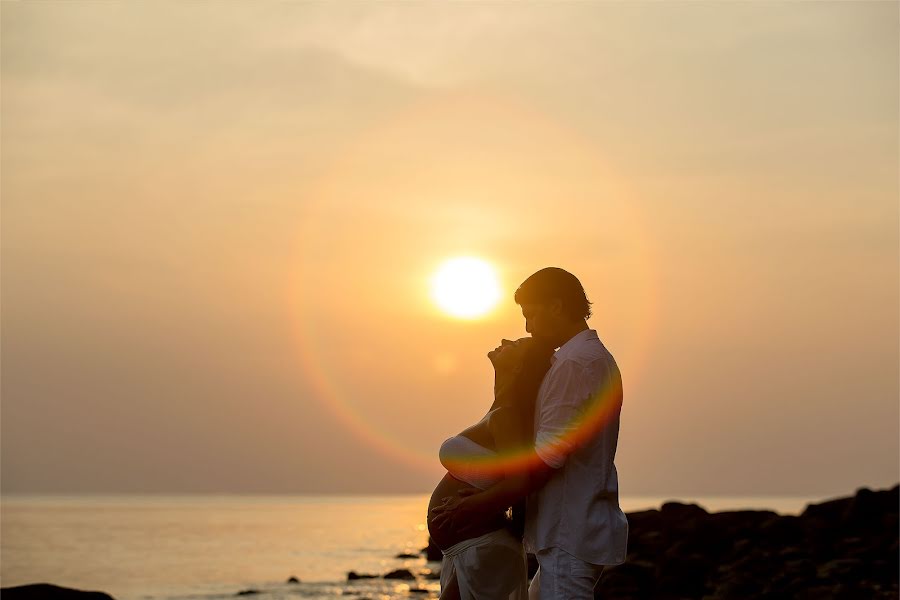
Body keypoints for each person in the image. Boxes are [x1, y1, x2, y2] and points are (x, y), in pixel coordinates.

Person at [431, 267, 628, 600]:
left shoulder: (575, 364)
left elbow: (547, 459)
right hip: (563, 531)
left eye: (531, 315)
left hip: (568, 531)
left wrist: (477, 506)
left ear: (556, 306)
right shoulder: (582, 360)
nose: (527, 327)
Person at [427, 336, 555, 600]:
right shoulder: (500, 411)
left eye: (516, 345)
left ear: (519, 367)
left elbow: (520, 482)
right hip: (469, 548)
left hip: (483, 548)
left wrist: (470, 507)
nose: (505, 339)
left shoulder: (507, 416)